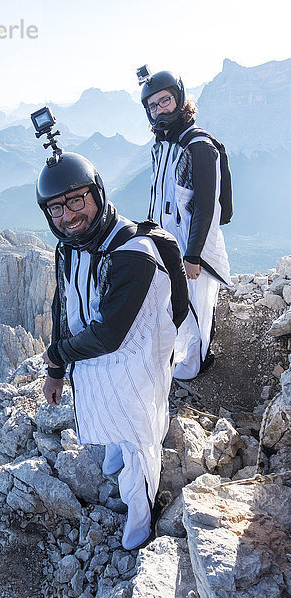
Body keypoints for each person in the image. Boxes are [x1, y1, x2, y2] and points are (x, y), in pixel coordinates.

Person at [36, 149, 186, 550]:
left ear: (97, 194)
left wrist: (58, 356)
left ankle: (141, 523)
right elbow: (63, 304)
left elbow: (110, 335)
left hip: (137, 357)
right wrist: (55, 370)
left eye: (75, 201)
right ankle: (116, 458)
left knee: (139, 436)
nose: (67, 217)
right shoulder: (69, 247)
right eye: (55, 209)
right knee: (112, 412)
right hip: (98, 359)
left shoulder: (133, 253)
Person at [140, 70, 232, 381]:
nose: (159, 110)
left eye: (164, 100)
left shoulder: (198, 146)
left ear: (179, 99)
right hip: (166, 241)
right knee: (173, 303)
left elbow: (206, 205)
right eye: (152, 106)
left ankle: (199, 365)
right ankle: (179, 358)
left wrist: (192, 256)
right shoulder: (163, 145)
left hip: (193, 245)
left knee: (197, 307)